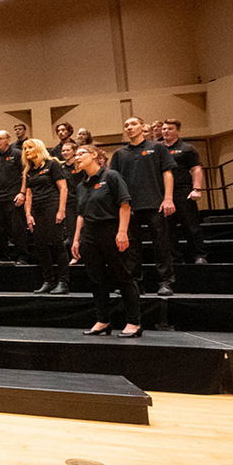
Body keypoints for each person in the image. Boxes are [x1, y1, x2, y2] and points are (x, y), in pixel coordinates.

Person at [72, 145, 143, 338]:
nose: (76, 158)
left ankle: (134, 323)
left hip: (111, 229)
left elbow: (125, 204)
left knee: (123, 276)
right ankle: (103, 320)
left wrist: (122, 232)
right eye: (75, 155)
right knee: (96, 279)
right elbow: (81, 214)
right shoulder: (81, 185)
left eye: (81, 154)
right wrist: (76, 239)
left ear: (95, 155)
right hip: (89, 234)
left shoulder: (111, 176)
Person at [109, 117, 177, 296]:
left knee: (161, 244)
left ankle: (165, 282)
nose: (129, 128)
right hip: (129, 206)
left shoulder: (158, 147)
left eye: (133, 124)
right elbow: (114, 182)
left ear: (142, 127)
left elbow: (167, 173)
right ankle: (135, 283)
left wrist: (168, 198)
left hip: (155, 203)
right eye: (126, 125)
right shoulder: (119, 154)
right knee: (131, 247)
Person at [22, 139, 70, 295]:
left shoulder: (52, 164)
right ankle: (48, 280)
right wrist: (28, 214)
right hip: (37, 210)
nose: (26, 151)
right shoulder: (29, 170)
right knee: (40, 246)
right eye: (24, 148)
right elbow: (28, 194)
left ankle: (63, 282)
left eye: (29, 147)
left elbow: (63, 188)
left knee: (57, 244)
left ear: (38, 148)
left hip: (52, 205)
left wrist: (61, 210)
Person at [161, 119, 208, 264]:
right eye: (164, 129)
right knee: (168, 228)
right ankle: (175, 258)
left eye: (169, 128)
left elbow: (196, 169)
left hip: (183, 191)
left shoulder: (187, 148)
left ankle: (199, 255)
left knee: (190, 226)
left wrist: (197, 189)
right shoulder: (158, 149)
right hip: (163, 194)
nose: (166, 131)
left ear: (177, 130)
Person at [0, 130, 28, 263]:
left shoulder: (17, 154)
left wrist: (22, 193)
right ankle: (3, 256)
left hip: (13, 197)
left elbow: (25, 174)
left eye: (0, 138)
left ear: (8, 139)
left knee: (17, 229)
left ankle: (22, 255)